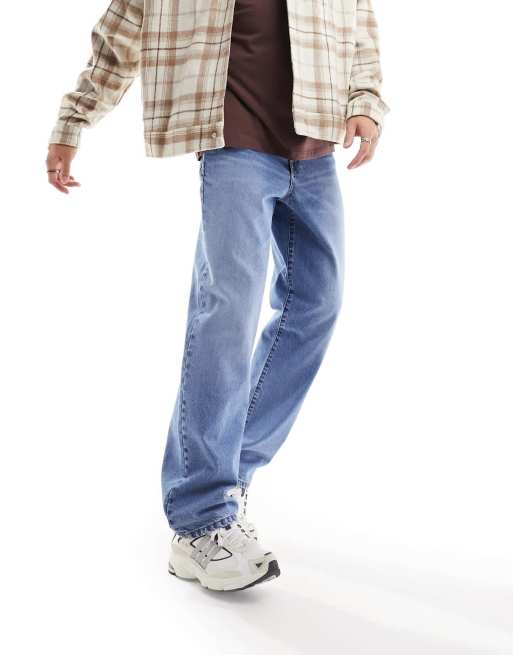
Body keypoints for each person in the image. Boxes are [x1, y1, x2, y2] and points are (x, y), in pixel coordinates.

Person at [47, 0, 389, 592]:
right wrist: (72, 123)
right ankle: (200, 520)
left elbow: (357, 24)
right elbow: (120, 33)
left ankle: (226, 472)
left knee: (318, 303)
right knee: (228, 309)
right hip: (235, 148)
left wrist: (365, 103)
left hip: (314, 148)